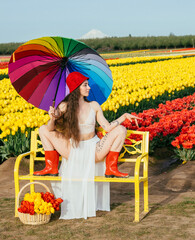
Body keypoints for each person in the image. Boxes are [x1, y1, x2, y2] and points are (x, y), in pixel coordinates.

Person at [33, 71, 140, 219]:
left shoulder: (94, 105)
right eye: (85, 85)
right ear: (76, 87)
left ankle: (111, 168)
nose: (89, 88)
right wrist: (53, 117)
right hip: (72, 149)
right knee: (43, 128)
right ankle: (51, 167)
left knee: (121, 130)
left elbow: (108, 128)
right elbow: (50, 129)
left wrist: (124, 117)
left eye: (87, 84)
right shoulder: (64, 106)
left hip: (93, 149)